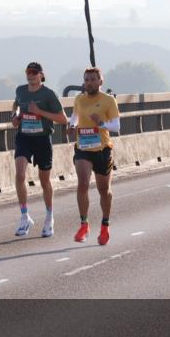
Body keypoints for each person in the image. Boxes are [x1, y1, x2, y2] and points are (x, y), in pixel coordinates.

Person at [10, 62, 69, 237]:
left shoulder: (48, 94)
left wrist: (40, 112)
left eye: (34, 72)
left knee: (44, 181)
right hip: (24, 137)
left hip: (42, 139)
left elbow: (63, 119)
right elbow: (16, 105)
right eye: (28, 72)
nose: (31, 75)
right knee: (20, 174)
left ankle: (49, 217)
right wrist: (14, 117)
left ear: (41, 75)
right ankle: (24, 216)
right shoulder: (20, 90)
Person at [67, 67, 120, 245]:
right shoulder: (79, 99)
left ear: (100, 82)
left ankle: (105, 225)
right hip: (83, 147)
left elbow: (116, 126)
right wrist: (71, 125)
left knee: (103, 189)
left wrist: (101, 123)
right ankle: (84, 224)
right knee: (82, 183)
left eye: (92, 79)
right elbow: (74, 117)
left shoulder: (108, 100)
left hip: (103, 149)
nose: (88, 82)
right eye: (86, 79)